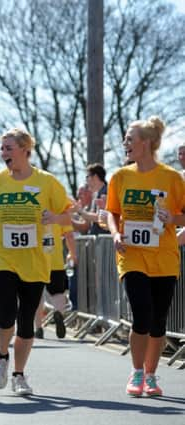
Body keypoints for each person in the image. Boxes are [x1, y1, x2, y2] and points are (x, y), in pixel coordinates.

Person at [0, 128, 71, 396]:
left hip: (35, 260)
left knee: (26, 321)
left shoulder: (47, 182)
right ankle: (2, 356)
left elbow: (68, 213)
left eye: (8, 148)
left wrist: (55, 219)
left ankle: (19, 374)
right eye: (2, 148)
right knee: (6, 311)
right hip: (1, 255)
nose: (3, 153)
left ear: (25, 150)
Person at [106, 116, 185, 397]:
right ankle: (136, 371)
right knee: (141, 313)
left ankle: (151, 375)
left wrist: (172, 217)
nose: (125, 143)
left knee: (158, 321)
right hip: (132, 255)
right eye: (126, 138)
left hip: (164, 257)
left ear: (147, 143)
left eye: (130, 138)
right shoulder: (120, 176)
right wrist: (115, 233)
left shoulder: (172, 178)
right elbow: (111, 213)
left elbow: (184, 214)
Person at [34, 224, 76, 339]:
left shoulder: (31, 208)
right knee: (58, 293)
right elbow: (69, 235)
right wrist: (73, 253)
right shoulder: (58, 212)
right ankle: (58, 312)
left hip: (35, 260)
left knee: (37, 296)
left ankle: (38, 328)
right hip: (55, 261)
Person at [76, 164, 109, 235]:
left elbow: (100, 218)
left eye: (87, 176)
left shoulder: (106, 192)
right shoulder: (97, 194)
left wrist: (79, 211)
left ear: (95, 177)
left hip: (104, 241)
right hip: (99, 240)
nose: (86, 181)